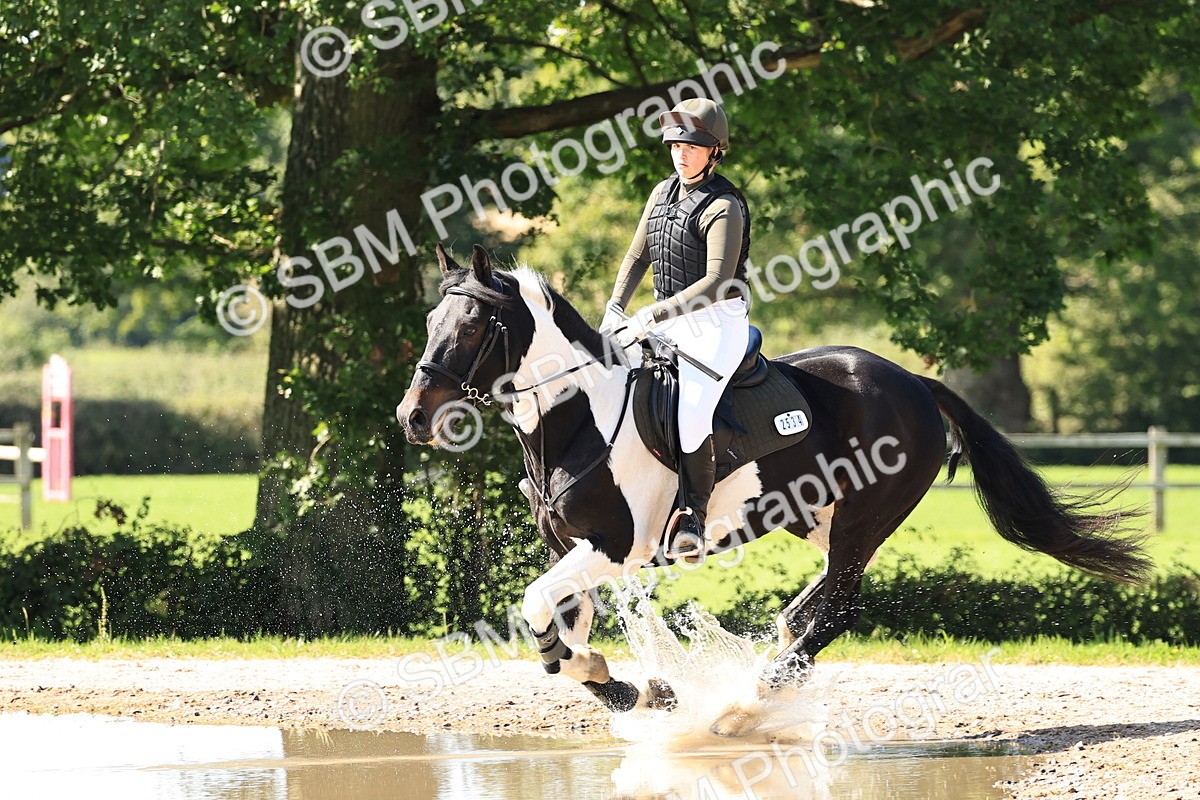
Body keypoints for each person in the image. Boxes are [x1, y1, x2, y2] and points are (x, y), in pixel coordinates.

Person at [600, 97, 752, 562]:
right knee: (602, 374)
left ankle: (693, 517)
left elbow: (717, 281)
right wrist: (616, 306)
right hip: (667, 319)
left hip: (715, 323)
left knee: (692, 412)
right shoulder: (662, 193)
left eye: (692, 147)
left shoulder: (724, 205)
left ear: (714, 152)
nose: (681, 154)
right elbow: (637, 256)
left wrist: (654, 313)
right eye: (675, 146)